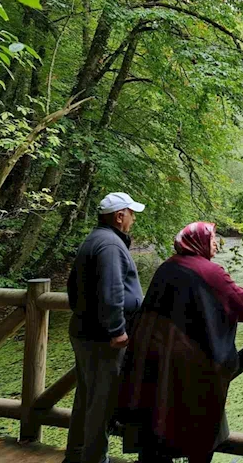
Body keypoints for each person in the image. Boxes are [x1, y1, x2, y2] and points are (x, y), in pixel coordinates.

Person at [118, 222, 243, 463]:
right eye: (212, 239)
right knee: (199, 424)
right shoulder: (211, 273)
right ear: (199, 242)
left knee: (157, 421)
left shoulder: (167, 266)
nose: (216, 244)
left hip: (155, 360)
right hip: (191, 364)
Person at [65, 192, 146, 463]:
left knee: (86, 396)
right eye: (131, 213)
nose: (133, 218)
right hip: (102, 338)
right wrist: (117, 330)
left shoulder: (95, 239)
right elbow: (112, 292)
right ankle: (94, 459)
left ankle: (75, 455)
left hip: (85, 331)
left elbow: (72, 288)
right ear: (118, 216)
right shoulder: (110, 245)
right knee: (102, 402)